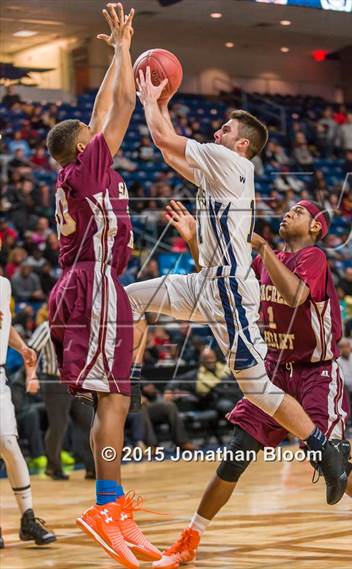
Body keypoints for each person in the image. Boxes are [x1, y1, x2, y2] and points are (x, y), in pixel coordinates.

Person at [152, 200, 352, 568]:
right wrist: (196, 240)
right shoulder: (266, 261)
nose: (288, 214)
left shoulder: (314, 259)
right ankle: (190, 538)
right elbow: (215, 281)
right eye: (288, 210)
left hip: (316, 373)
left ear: (315, 228)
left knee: (330, 459)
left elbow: (295, 296)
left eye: (298, 211)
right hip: (276, 371)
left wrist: (261, 248)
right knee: (236, 454)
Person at [127, 69, 351, 505]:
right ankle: (132, 379)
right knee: (128, 299)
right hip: (203, 281)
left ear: (241, 144)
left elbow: (162, 140)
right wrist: (163, 104)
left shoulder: (231, 162)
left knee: (256, 390)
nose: (217, 131)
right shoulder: (217, 169)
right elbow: (172, 155)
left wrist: (151, 98)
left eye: (225, 129)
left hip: (228, 287)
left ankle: (324, 449)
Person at [45, 4, 160, 568]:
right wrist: (120, 47)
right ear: (83, 148)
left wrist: (121, 48)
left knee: (114, 399)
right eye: (92, 136)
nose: (101, 133)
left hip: (97, 286)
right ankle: (105, 507)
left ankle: (112, 505)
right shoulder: (86, 170)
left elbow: (108, 109)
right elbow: (117, 106)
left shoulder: (86, 170)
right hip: (91, 287)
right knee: (112, 399)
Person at [0, 276, 56, 549]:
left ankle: (28, 519)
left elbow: (4, 325)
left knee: (9, 444)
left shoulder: (4, 285)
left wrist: (22, 347)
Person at [27, 310, 95, 480]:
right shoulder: (46, 327)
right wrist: (32, 376)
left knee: (89, 423)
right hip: (55, 383)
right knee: (59, 425)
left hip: (79, 382)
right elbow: (30, 351)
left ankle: (92, 467)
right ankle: (53, 467)